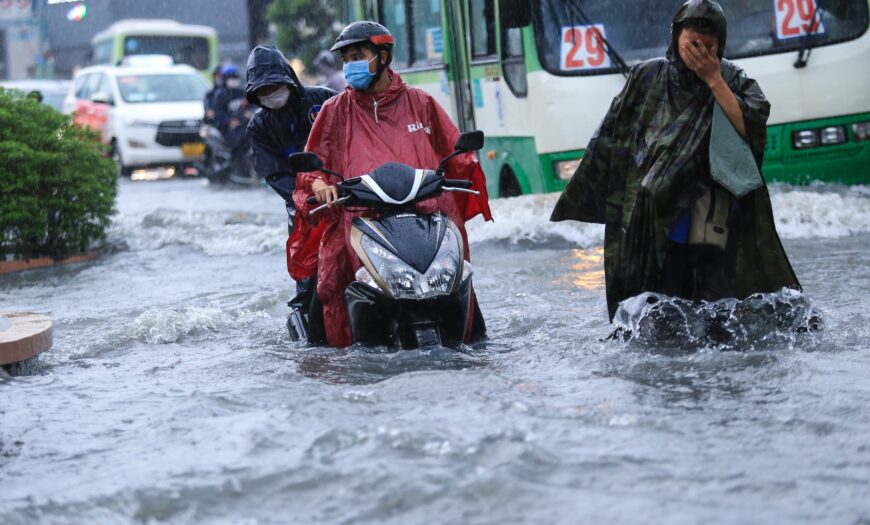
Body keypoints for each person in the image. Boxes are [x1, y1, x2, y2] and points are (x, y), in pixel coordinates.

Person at [550, 0, 800, 321]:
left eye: (708, 46)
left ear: (720, 44)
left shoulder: (731, 77)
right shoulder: (647, 76)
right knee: (663, 303)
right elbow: (615, 139)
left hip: (713, 209)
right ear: (675, 37)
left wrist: (713, 79)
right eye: (692, 44)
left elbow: (749, 123)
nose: (699, 53)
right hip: (657, 214)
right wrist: (606, 201)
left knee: (717, 306)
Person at [292, 21, 493, 348]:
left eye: (357, 56)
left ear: (383, 57)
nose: (349, 66)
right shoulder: (335, 111)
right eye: (345, 60)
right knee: (329, 284)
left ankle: (474, 341)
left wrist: (461, 167)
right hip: (358, 219)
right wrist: (318, 186)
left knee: (459, 279)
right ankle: (319, 356)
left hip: (422, 216)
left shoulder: (421, 103)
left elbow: (456, 153)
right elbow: (312, 167)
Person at [245, 45, 338, 343]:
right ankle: (309, 332)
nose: (271, 93)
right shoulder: (259, 126)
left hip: (345, 193)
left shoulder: (323, 100)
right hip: (302, 206)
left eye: (275, 86)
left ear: (288, 79)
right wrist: (305, 195)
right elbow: (274, 173)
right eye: (264, 90)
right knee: (308, 275)